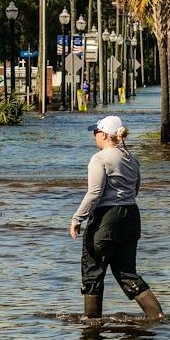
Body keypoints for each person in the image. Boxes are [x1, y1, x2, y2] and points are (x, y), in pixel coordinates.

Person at [70, 114, 164, 321]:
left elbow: (94, 193)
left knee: (93, 270)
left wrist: (77, 218)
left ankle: (91, 324)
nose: (94, 136)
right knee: (126, 272)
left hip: (107, 219)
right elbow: (136, 189)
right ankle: (157, 316)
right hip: (131, 216)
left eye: (95, 132)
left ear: (103, 134)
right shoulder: (131, 158)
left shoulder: (100, 158)